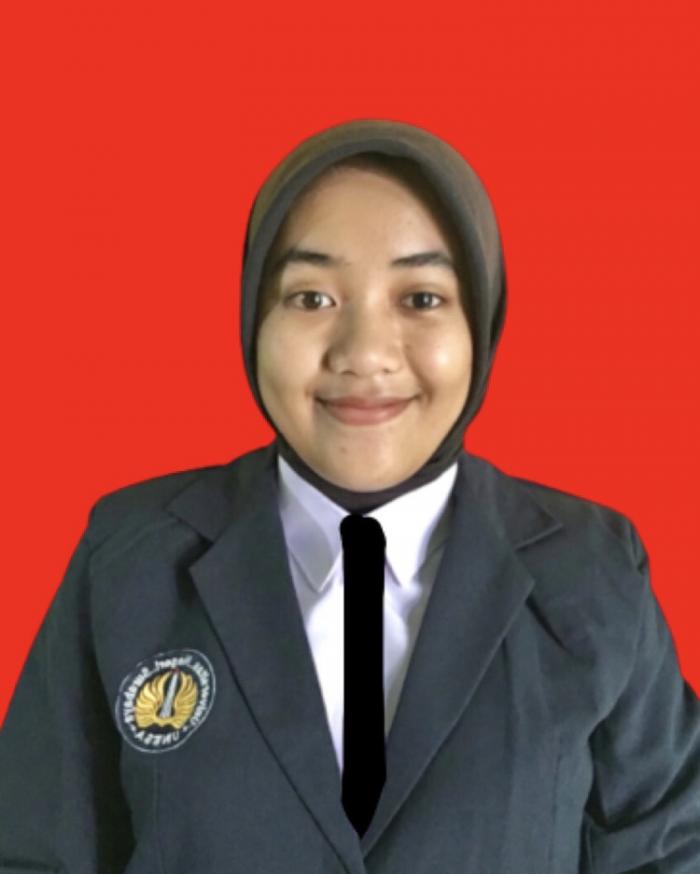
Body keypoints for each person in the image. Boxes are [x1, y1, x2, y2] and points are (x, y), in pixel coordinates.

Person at [1, 118, 698, 874]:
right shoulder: (129, 555)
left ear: (482, 320)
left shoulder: (593, 568)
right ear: (254, 315)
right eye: (311, 298)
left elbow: (670, 850)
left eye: (421, 298)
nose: (364, 354)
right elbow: (32, 853)